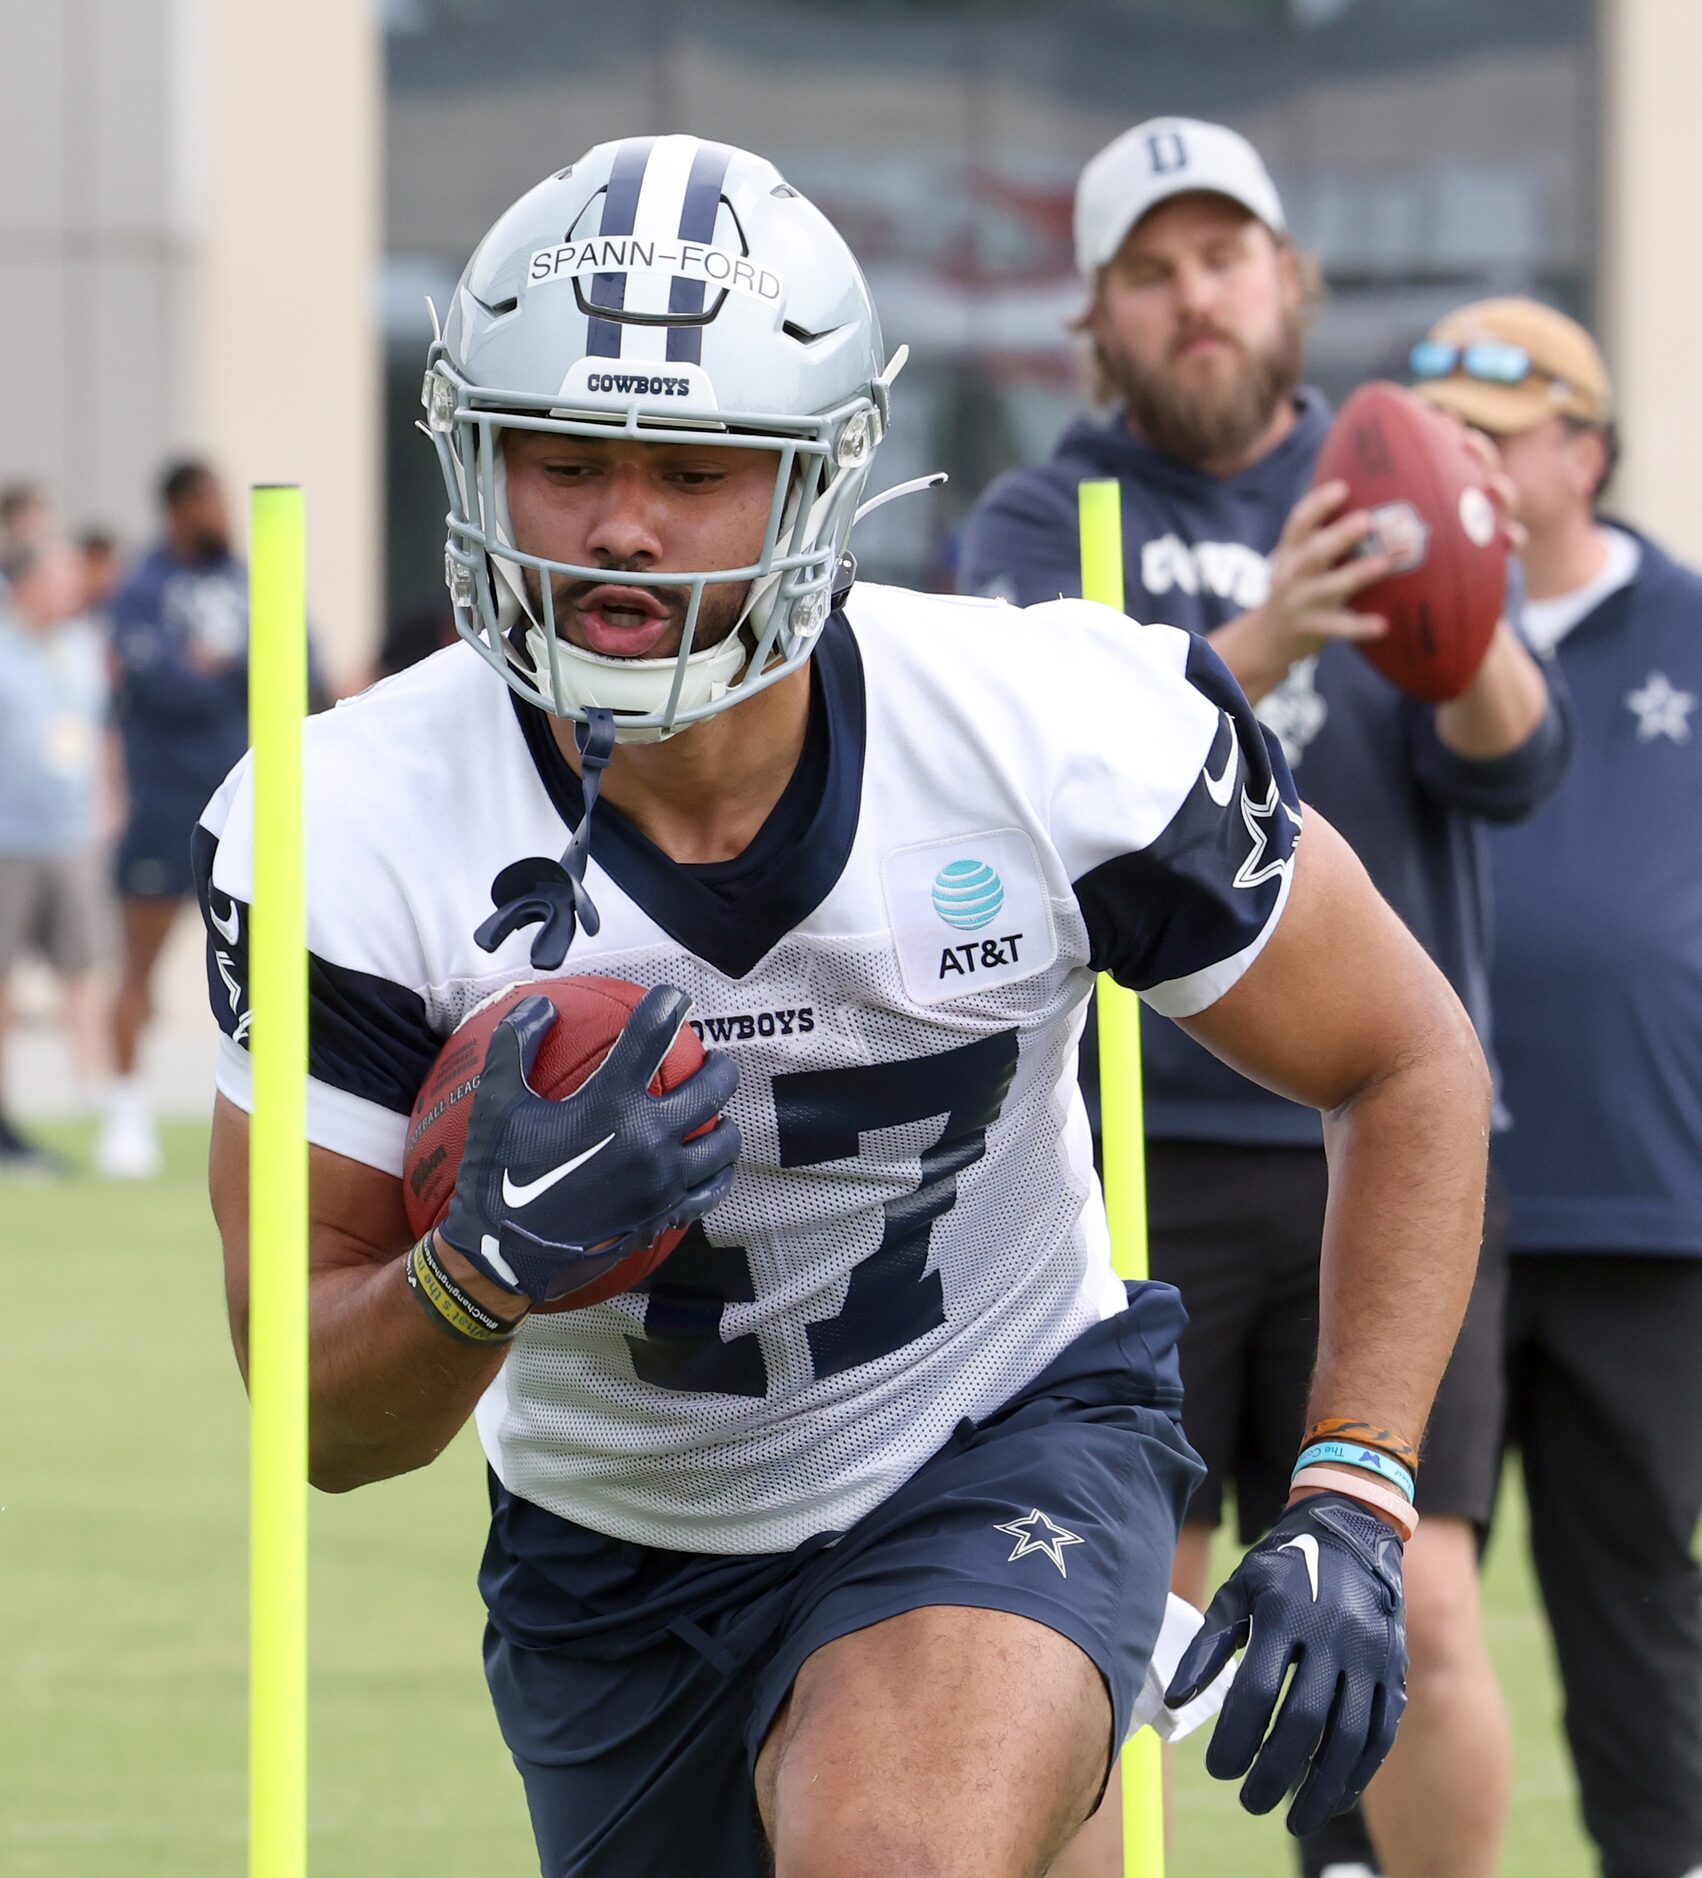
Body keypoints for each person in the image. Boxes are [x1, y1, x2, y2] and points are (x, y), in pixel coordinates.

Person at [201, 137, 1491, 1878]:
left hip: (995, 1430)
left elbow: (1402, 1055)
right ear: (475, 466)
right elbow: (323, 1416)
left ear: (819, 483)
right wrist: (471, 1271)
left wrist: (1349, 1480)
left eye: (693, 468)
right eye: (561, 462)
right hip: (615, 1543)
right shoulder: (345, 824)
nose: (620, 525)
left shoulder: (1049, 732)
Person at [960, 118, 1572, 1878]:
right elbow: (1010, 787)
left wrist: (1459, 609)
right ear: (1098, 321)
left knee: (1423, 1605)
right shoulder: (1036, 512)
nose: (1194, 298)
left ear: (1288, 279)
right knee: (1094, 1630)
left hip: (1375, 1134)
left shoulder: (1396, 473)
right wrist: (1267, 642)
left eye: (1222, 258)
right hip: (1120, 1156)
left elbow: (1517, 769)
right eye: (1149, 274)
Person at [1414, 298, 1702, 1878]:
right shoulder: (1391, 621)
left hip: (1638, 1196)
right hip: (1419, 1192)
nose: (1466, 463)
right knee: (1378, 1576)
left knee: (1635, 1595)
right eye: (1438, 429)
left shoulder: (1691, 624)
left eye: (1499, 437)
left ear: (1582, 452)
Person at [101, 460, 250, 1178]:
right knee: (141, 965)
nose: (224, 512)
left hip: (247, 806)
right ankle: (126, 1114)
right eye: (211, 500)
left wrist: (215, 666)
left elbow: (299, 665)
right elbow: (163, 684)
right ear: (180, 508)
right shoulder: (143, 587)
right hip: (164, 805)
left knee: (271, 968)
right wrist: (221, 671)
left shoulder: (244, 581)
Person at [0, 538, 115, 1173]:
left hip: (72, 836)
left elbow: (99, 732)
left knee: (84, 970)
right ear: (26, 584)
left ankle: (101, 1108)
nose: (70, 587)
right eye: (58, 574)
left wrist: (107, 800)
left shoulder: (84, 645)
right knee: (5, 982)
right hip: (7, 840)